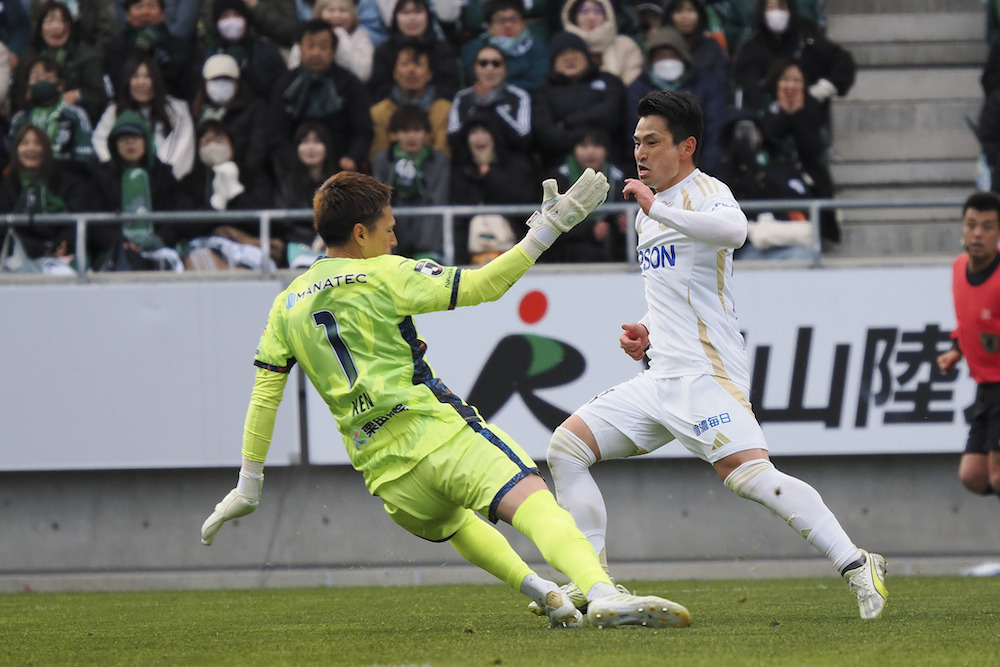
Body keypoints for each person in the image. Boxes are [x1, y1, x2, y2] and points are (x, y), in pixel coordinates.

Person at [198, 167, 694, 631]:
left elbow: (264, 397)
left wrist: (248, 485)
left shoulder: (285, 305)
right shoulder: (384, 273)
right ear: (360, 234)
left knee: (456, 524)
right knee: (535, 503)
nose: (394, 239)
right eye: (388, 229)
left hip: (385, 476)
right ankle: (602, 592)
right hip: (437, 435)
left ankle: (542, 590)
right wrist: (547, 228)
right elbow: (483, 285)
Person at [539, 89, 889, 621]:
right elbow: (674, 288)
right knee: (566, 448)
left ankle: (858, 562)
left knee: (750, 478)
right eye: (636, 142)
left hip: (706, 374)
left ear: (686, 147)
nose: (640, 153)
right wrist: (646, 329)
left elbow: (736, 231)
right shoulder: (648, 213)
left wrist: (659, 208)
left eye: (652, 142)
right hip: (660, 378)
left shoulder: (706, 192)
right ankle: (595, 583)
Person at [936, 191, 1000, 498]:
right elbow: (969, 321)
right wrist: (956, 349)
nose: (977, 233)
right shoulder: (959, 268)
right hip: (985, 389)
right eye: (971, 224)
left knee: (997, 475)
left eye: (987, 227)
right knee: (973, 475)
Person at [269, 19, 373, 176]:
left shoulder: (349, 84)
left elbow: (363, 130)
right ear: (300, 49)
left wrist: (352, 157)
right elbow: (277, 132)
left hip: (341, 167)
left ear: (333, 51)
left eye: (323, 47)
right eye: (310, 46)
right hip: (296, 168)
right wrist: (292, 164)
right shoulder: (286, 85)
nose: (316, 53)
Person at [90, 109, 190, 271]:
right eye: (123, 138)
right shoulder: (102, 176)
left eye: (135, 137)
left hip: (160, 248)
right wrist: (121, 243)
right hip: (113, 252)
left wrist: (160, 239)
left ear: (146, 140)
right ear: (113, 144)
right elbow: (96, 222)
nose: (129, 143)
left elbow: (175, 215)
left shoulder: (164, 174)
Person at [626, 26, 729, 173]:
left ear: (684, 57)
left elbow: (716, 129)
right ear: (651, 61)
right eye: (661, 57)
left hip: (702, 165)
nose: (667, 62)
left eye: (673, 56)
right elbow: (635, 133)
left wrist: (702, 168)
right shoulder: (638, 88)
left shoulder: (706, 83)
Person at [531, 31, 627, 172]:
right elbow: (546, 133)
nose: (570, 58)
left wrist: (568, 122)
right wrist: (580, 145)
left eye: (575, 52)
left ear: (587, 56)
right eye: (562, 54)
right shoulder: (543, 93)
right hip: (561, 162)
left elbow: (612, 113)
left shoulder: (609, 81)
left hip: (611, 158)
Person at [0, 123, 90, 273]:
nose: (31, 148)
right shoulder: (6, 184)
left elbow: (76, 219)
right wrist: (41, 249)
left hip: (60, 257)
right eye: (25, 143)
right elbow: (3, 230)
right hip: (17, 256)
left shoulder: (66, 182)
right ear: (16, 150)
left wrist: (63, 243)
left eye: (38, 143)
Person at [92, 53, 196, 180]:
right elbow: (100, 141)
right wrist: (123, 174)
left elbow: (182, 149)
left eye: (148, 76)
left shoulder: (177, 109)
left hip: (167, 182)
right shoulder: (113, 112)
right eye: (135, 76)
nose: (141, 82)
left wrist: (156, 179)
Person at [371, 104, 449, 259]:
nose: (411, 136)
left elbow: (436, 202)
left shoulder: (440, 160)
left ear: (426, 134)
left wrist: (426, 247)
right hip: (392, 242)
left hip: (428, 243)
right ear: (394, 135)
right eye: (405, 131)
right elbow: (381, 204)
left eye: (417, 130)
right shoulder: (382, 160)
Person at [19, 0, 108, 124]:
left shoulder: (87, 56)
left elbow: (99, 99)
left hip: (76, 122)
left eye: (63, 20)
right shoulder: (29, 58)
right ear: (40, 27)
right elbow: (17, 98)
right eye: (50, 21)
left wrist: (78, 95)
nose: (57, 27)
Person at [368, 39, 452, 164]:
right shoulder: (378, 112)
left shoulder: (444, 109)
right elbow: (378, 158)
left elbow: (442, 155)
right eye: (405, 64)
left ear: (429, 74)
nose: (411, 70)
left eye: (418, 64)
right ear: (395, 73)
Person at [8, 55, 96, 169]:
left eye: (47, 78)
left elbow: (84, 155)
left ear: (60, 85)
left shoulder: (75, 114)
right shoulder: (20, 119)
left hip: (69, 175)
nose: (42, 81)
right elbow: (11, 157)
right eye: (36, 78)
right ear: (28, 86)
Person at [447, 45, 532, 159]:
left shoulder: (519, 96)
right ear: (474, 68)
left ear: (505, 69)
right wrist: (479, 108)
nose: (489, 69)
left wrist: (493, 105)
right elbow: (453, 139)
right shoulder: (462, 97)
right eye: (483, 63)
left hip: (509, 161)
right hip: (471, 162)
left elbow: (523, 138)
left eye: (496, 64)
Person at [197, 0, 288, 105]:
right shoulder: (208, 55)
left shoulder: (266, 50)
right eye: (225, 16)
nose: (231, 21)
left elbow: (280, 88)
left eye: (237, 15)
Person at [368, 0, 460, 103]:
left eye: (418, 12)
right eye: (405, 13)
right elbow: (378, 91)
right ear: (395, 18)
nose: (412, 18)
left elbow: (449, 89)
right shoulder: (384, 52)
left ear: (428, 16)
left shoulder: (443, 51)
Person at [105, 0, 198, 100]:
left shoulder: (181, 47)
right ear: (128, 15)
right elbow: (120, 84)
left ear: (162, 14)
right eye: (138, 7)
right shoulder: (117, 47)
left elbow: (185, 87)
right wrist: (140, 49)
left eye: (152, 6)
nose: (145, 12)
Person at [459, 0, 548, 92]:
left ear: (524, 24)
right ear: (489, 26)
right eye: (501, 20)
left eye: (514, 20)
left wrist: (501, 88)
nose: (508, 25)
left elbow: (537, 82)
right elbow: (476, 80)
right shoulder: (474, 48)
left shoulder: (536, 49)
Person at [287, 0, 375, 84]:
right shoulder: (307, 34)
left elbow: (362, 75)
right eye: (330, 10)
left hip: (345, 88)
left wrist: (341, 38)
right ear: (319, 13)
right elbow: (293, 66)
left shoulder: (360, 36)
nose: (337, 16)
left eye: (343, 10)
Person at [559, 0, 643, 86]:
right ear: (573, 17)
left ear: (607, 15)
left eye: (597, 11)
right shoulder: (563, 49)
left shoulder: (625, 45)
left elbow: (635, 86)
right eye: (584, 11)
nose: (591, 17)